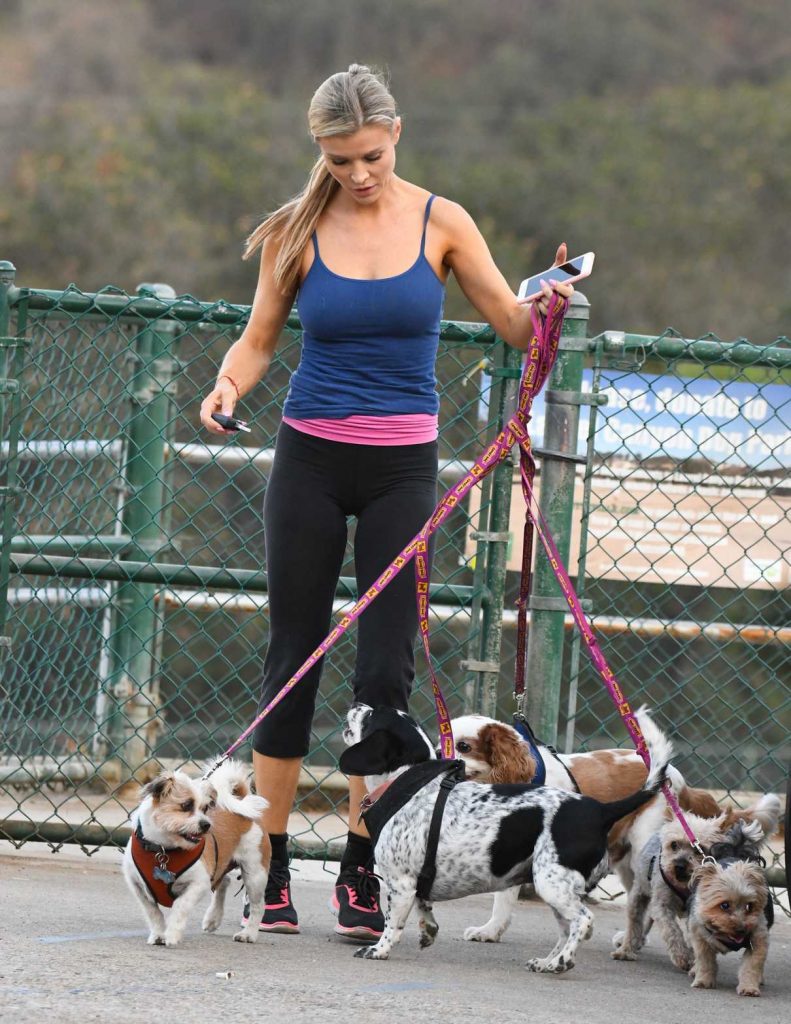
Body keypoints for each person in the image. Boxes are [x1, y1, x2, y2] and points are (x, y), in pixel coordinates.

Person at [200, 63, 574, 941]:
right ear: (320, 155)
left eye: (368, 155)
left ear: (395, 133)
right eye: (338, 162)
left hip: (404, 467)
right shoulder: (300, 229)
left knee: (383, 672)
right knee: (292, 654)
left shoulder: (443, 221)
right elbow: (256, 342)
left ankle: (369, 867)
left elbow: (512, 326)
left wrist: (545, 298)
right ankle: (274, 865)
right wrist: (225, 388)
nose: (357, 174)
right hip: (310, 458)